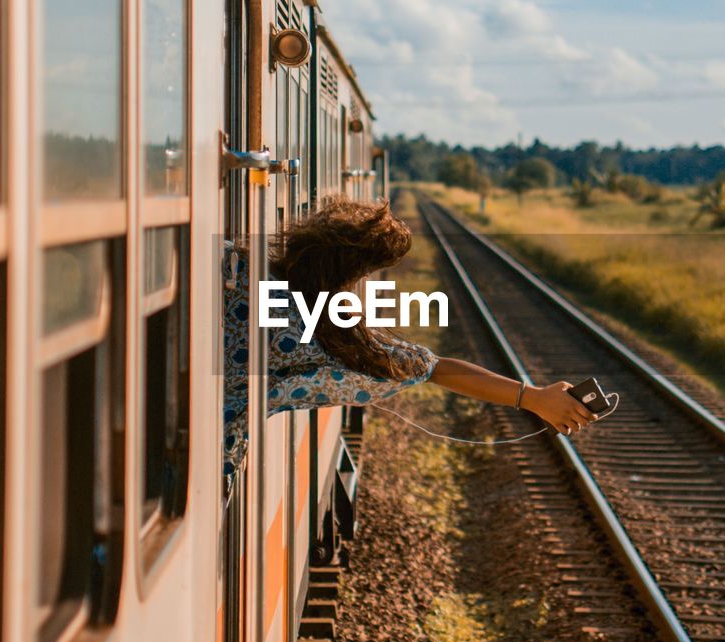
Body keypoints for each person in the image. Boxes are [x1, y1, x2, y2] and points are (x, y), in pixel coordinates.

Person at [222, 196, 595, 477]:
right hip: (200, 454)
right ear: (347, 279)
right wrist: (533, 398)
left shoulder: (236, 268)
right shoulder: (318, 342)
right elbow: (436, 368)